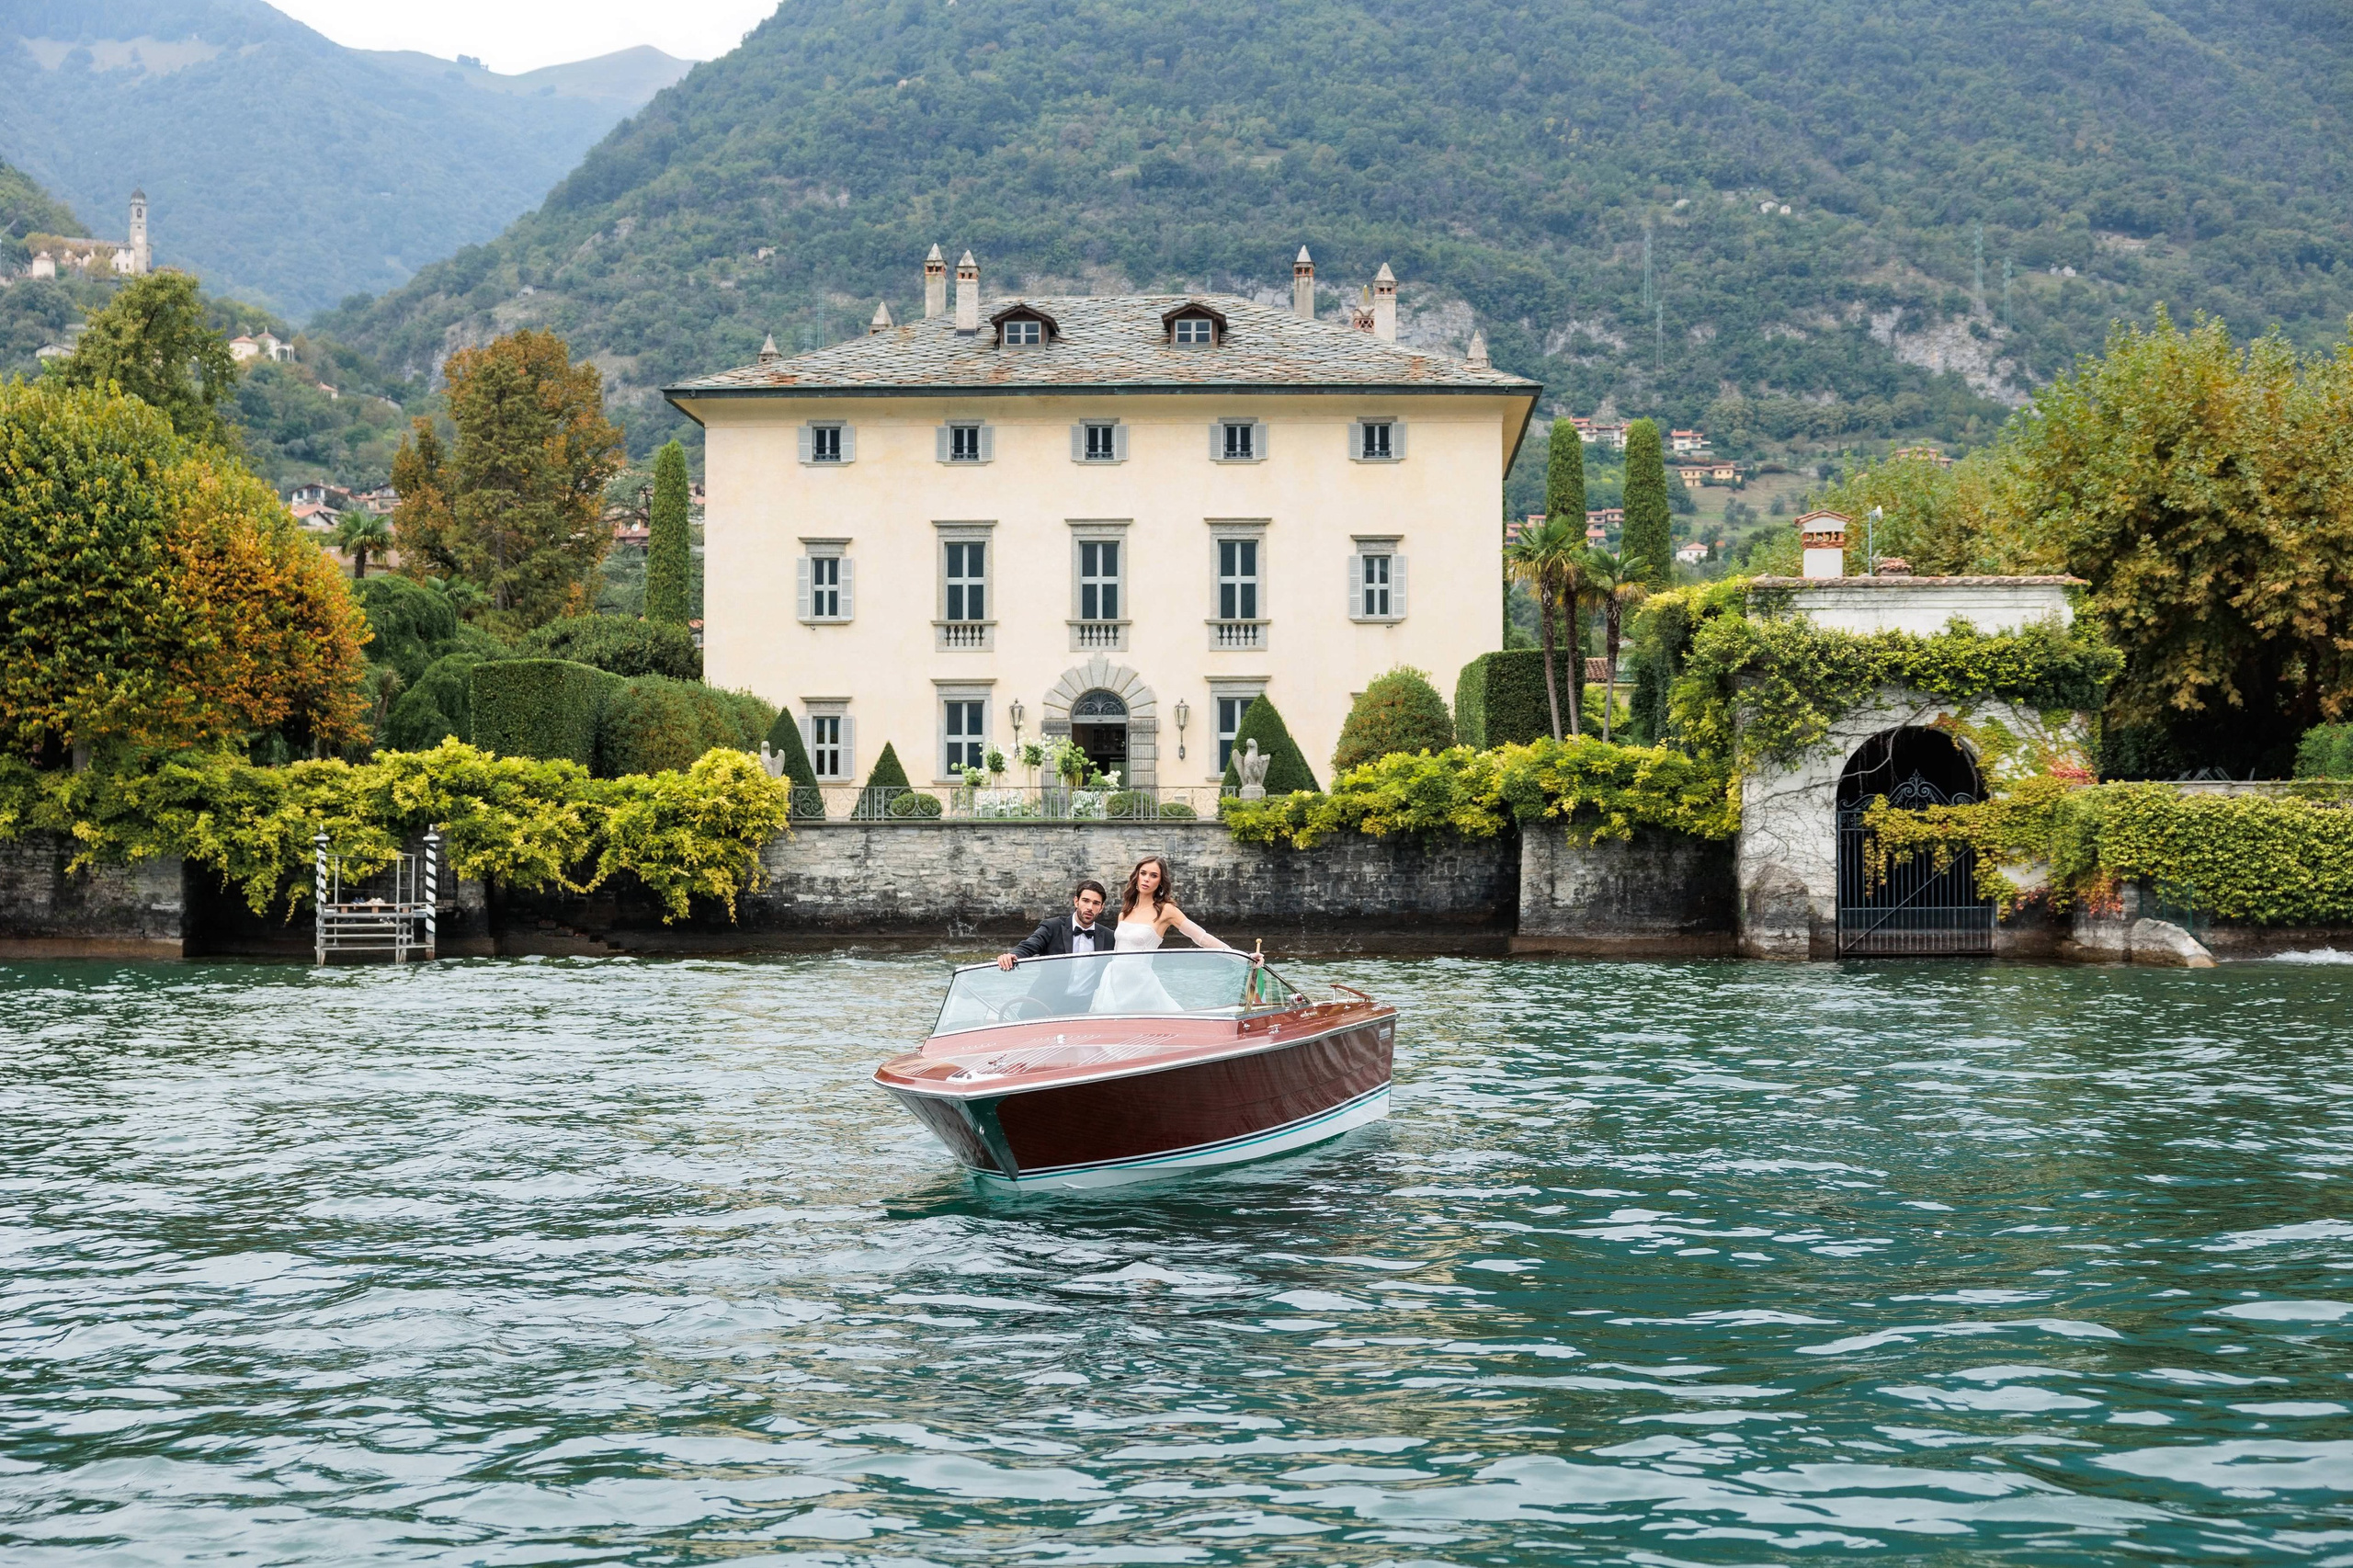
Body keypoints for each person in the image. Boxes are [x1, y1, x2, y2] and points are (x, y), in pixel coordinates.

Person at [1091, 855, 1249, 1014]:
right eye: (1143, 873)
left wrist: (1242, 958)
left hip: (1140, 986)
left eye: (1153, 876)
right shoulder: (1125, 912)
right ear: (1137, 875)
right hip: (1113, 982)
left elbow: (1201, 937)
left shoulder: (1166, 910)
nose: (1146, 879)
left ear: (1160, 881)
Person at [997, 880, 1110, 971]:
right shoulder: (1052, 927)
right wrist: (1011, 955)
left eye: (1096, 903)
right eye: (1085, 901)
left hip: (1089, 998)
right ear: (1076, 902)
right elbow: (1029, 946)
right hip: (1050, 997)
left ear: (1101, 908)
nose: (1090, 907)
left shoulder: (1109, 937)